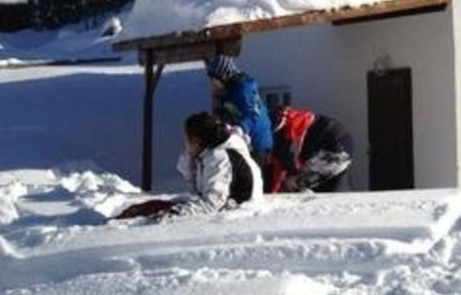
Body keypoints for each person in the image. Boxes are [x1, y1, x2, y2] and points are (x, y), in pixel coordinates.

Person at [114, 112, 263, 219]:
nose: (184, 143)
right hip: (224, 208)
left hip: (236, 212)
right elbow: (194, 183)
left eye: (187, 139)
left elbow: (214, 202)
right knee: (151, 207)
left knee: (156, 213)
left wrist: (178, 213)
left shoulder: (219, 157)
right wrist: (189, 157)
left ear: (197, 141)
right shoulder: (206, 155)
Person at [204, 54, 273, 165]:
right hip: (247, 141)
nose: (212, 84)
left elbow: (252, 115)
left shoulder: (243, 90)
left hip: (258, 144)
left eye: (214, 79)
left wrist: (240, 128)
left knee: (251, 178)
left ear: (223, 76)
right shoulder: (229, 92)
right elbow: (231, 112)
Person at [268, 105, 353, 193]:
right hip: (341, 137)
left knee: (295, 185)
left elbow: (283, 165)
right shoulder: (294, 118)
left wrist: (277, 191)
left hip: (331, 142)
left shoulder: (281, 135)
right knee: (335, 184)